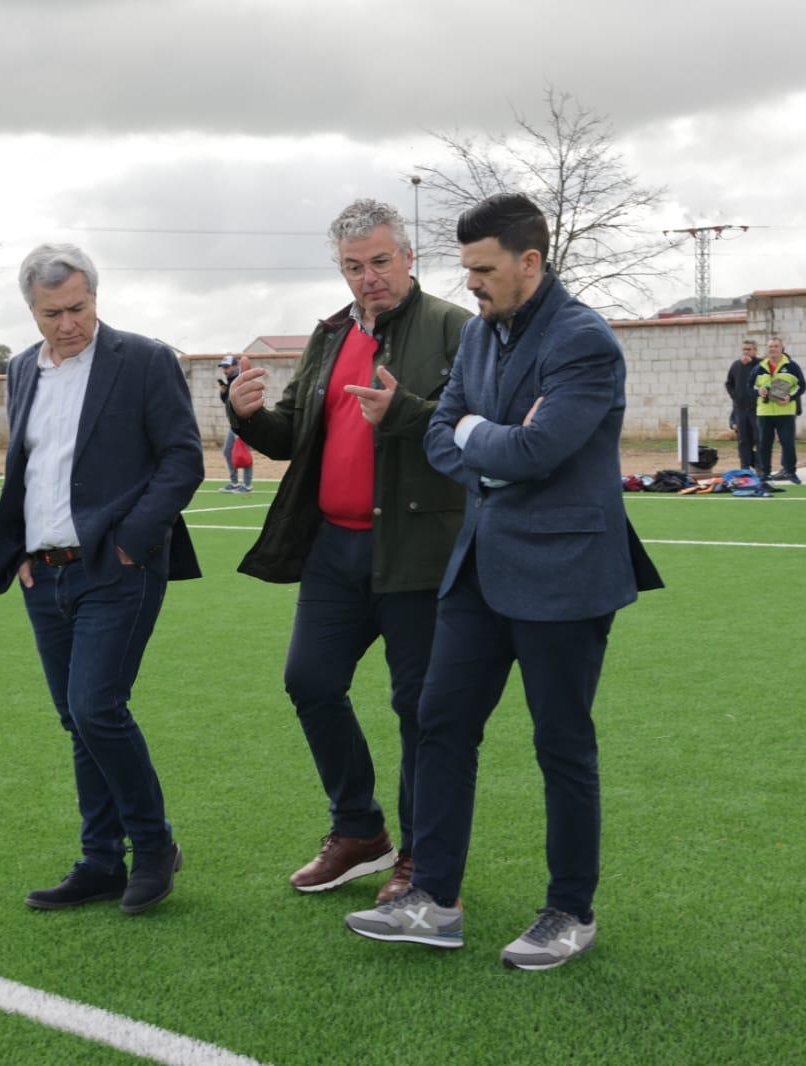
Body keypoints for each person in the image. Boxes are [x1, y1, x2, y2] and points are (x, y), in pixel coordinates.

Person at [343, 193, 661, 966]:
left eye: (484, 270)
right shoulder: (482, 334)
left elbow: (531, 453)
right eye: (467, 270)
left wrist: (481, 436)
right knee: (441, 723)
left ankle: (569, 911)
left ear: (530, 261)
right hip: (481, 567)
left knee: (561, 744)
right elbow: (450, 443)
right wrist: (489, 436)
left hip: (565, 575)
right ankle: (434, 901)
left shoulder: (584, 341)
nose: (473, 284)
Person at [225, 199, 471, 903]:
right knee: (309, 682)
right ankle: (360, 831)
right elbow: (296, 434)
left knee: (418, 709)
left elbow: (473, 431)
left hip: (416, 548)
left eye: (381, 262)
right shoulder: (329, 335)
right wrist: (250, 416)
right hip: (335, 551)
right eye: (354, 267)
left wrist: (407, 415)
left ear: (409, 258)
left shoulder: (454, 328)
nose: (369, 278)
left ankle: (421, 858)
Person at [0, 243, 204, 915]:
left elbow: (183, 458)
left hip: (116, 569)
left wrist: (134, 543)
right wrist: (21, 547)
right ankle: (100, 861)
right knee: (76, 720)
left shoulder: (142, 360)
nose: (68, 323)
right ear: (32, 309)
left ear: (94, 297)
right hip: (43, 575)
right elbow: (31, 465)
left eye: (79, 307)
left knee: (96, 709)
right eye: (52, 312)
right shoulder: (23, 369)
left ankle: (152, 845)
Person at [755, 336, 806, 483]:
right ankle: (764, 473)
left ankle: (790, 472)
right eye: (770, 346)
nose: (772, 349)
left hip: (785, 411)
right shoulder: (759, 367)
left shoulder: (791, 366)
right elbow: (750, 386)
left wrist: (790, 397)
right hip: (765, 412)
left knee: (788, 443)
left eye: (775, 346)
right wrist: (759, 391)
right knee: (765, 444)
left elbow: (801, 386)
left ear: (782, 348)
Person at [216, 357, 252, 493]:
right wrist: (223, 393)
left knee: (244, 453)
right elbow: (228, 403)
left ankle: (247, 485)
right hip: (234, 424)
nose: (224, 370)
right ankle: (234, 482)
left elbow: (242, 402)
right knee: (227, 452)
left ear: (235, 366)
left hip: (242, 423)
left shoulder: (239, 380)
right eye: (223, 367)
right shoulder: (231, 382)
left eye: (227, 367)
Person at [725, 339, 761, 469]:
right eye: (744, 349)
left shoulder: (761, 365)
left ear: (755, 351)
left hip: (757, 409)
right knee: (743, 440)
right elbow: (729, 383)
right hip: (741, 409)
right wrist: (736, 397)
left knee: (759, 438)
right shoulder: (736, 365)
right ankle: (745, 466)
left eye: (749, 349)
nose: (746, 352)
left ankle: (759, 466)